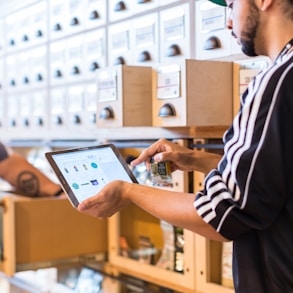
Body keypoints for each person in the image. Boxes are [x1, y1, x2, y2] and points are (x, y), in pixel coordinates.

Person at [77, 0, 293, 292]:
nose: (228, 22)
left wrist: (129, 191)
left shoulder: (276, 81)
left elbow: (221, 215)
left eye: (231, 5)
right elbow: (270, 179)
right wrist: (194, 158)